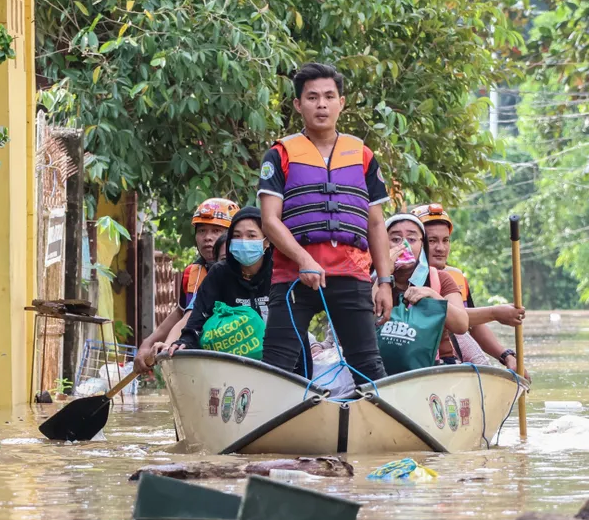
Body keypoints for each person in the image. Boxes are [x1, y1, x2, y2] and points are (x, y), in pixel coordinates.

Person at [258, 62, 393, 380]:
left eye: (329, 96)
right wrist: (304, 259)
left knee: (368, 365)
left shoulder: (363, 156)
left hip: (351, 273)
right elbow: (269, 221)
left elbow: (375, 224)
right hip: (293, 276)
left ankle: (378, 425)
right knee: (277, 365)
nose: (321, 104)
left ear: (341, 103)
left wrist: (384, 282)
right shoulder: (279, 156)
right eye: (312, 97)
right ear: (298, 104)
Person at [413, 203, 527, 376]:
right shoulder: (405, 276)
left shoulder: (455, 277)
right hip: (419, 360)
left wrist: (506, 355)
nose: (441, 248)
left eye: (445, 240)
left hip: (454, 359)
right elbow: (457, 320)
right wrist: (495, 313)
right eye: (432, 241)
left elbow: (472, 325)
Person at [134, 197, 236, 371]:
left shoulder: (245, 271)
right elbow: (183, 312)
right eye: (202, 230)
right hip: (195, 355)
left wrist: (167, 345)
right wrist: (148, 344)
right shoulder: (193, 273)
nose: (208, 238)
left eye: (216, 231)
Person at [170, 207, 272, 353]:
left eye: (251, 236)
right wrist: (186, 340)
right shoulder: (219, 273)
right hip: (229, 360)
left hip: (277, 358)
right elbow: (197, 317)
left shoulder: (280, 273)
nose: (243, 242)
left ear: (267, 241)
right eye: (237, 236)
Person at [382, 214, 469, 364]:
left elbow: (461, 325)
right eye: (396, 239)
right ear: (382, 245)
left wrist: (432, 295)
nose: (404, 246)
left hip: (434, 368)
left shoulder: (441, 279)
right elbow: (366, 321)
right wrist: (384, 274)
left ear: (422, 245)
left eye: (412, 239)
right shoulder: (370, 280)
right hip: (382, 367)